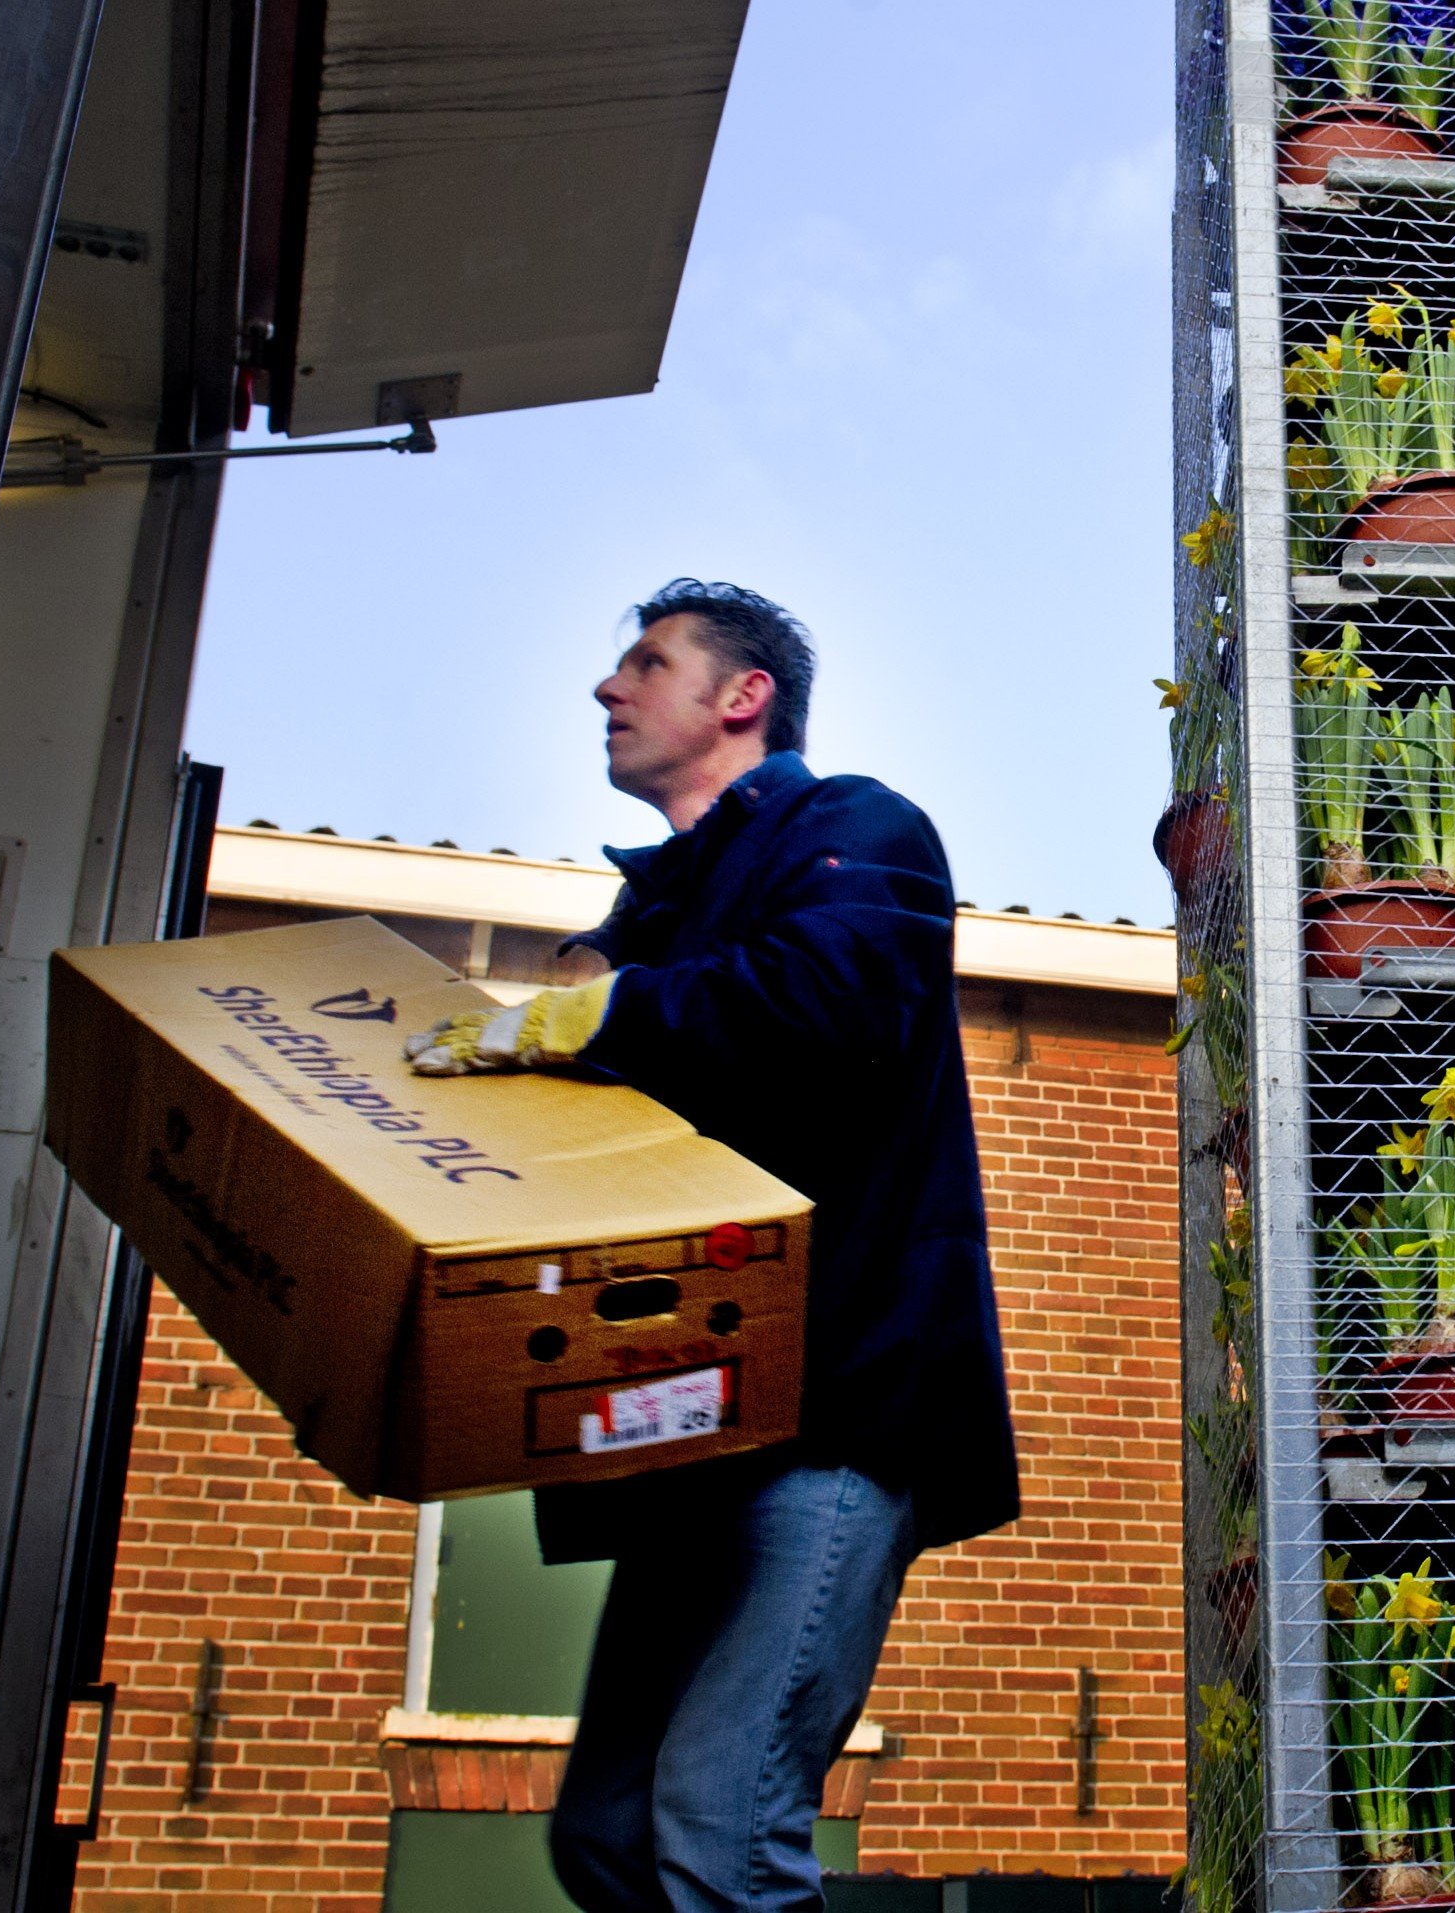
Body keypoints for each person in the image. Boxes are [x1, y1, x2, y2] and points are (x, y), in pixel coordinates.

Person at [404, 579, 1018, 1913]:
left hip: (833, 1419)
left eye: (646, 661)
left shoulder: (854, 825)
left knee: (719, 1821)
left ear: (742, 697)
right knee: (609, 1835)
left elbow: (826, 998)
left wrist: (584, 1018)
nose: (606, 689)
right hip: (687, 1436)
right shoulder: (650, 921)